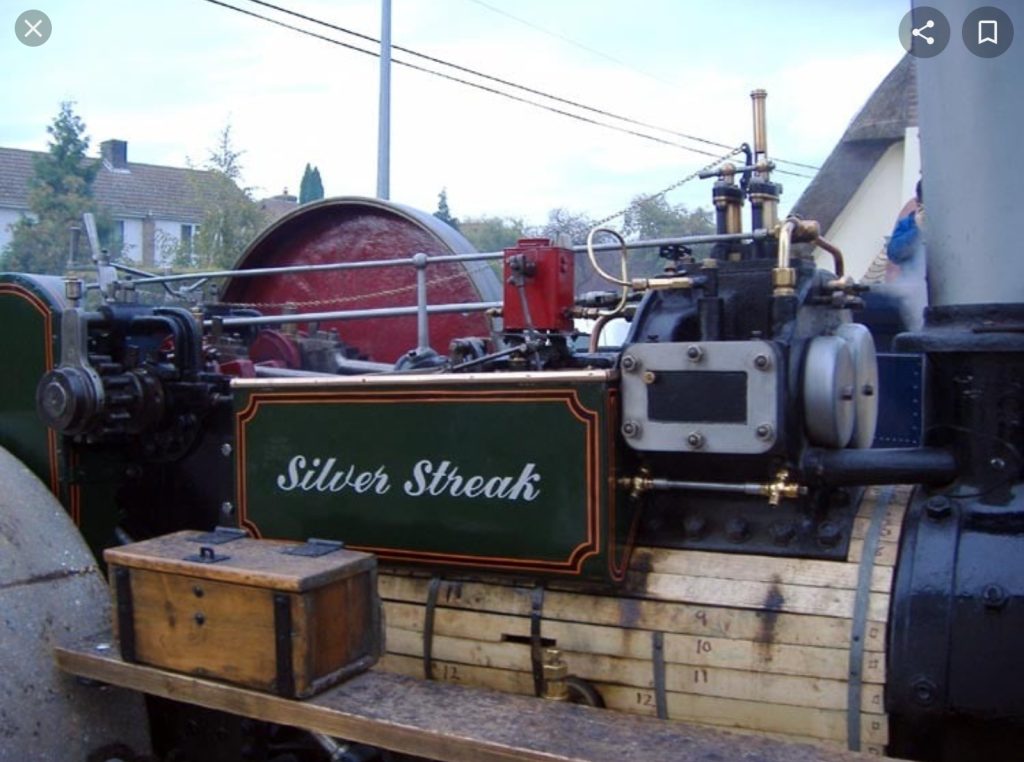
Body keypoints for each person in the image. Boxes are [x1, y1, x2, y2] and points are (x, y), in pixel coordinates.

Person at [884, 179, 927, 331]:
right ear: (919, 203)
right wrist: (917, 231)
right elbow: (894, 253)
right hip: (916, 296)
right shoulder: (907, 224)